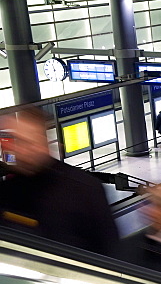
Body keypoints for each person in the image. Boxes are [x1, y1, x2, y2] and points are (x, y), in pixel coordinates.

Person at [0, 107, 120, 257]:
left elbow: (110, 249)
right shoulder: (7, 191)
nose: (23, 151)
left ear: (43, 142)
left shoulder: (85, 189)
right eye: (16, 142)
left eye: (28, 142)